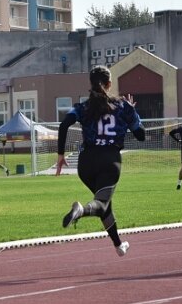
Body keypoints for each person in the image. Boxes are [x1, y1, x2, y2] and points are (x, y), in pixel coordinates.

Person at [55, 65, 145, 257]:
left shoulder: (82, 107)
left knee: (104, 203)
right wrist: (132, 113)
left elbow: (63, 126)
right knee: (100, 204)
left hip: (85, 163)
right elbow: (141, 135)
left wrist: (60, 155)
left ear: (90, 83)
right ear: (109, 84)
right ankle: (81, 210)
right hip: (109, 161)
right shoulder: (123, 106)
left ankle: (118, 245)